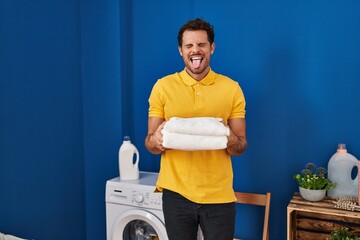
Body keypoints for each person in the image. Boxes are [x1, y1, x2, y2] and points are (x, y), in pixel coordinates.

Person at [144, 18, 247, 240]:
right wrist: (156, 140)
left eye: (201, 44)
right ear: (180, 50)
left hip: (219, 196)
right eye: (189, 46)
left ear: (212, 47)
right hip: (176, 194)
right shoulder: (163, 87)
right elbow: (150, 144)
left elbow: (240, 146)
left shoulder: (231, 89)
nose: (195, 51)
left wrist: (228, 138)